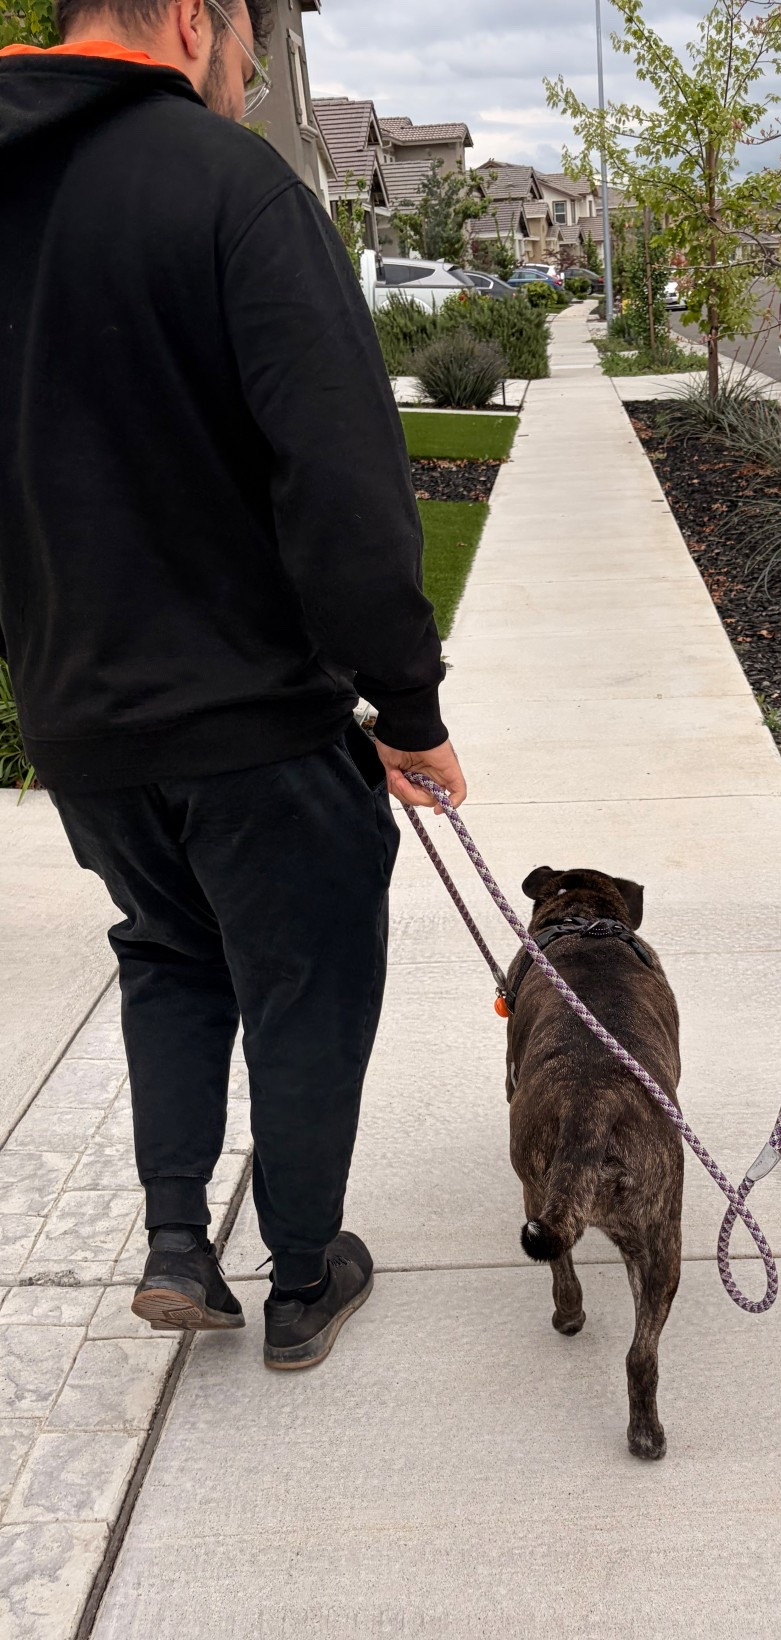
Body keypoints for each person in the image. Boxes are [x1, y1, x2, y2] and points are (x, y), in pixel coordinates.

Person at [0, 0, 466, 1370]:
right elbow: (344, 481)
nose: (253, 74)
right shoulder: (231, 185)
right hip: (253, 720)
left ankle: (174, 1243)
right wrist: (409, 706)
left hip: (84, 721)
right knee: (308, 984)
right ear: (198, 18)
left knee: (171, 949)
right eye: (253, 48)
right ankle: (307, 1279)